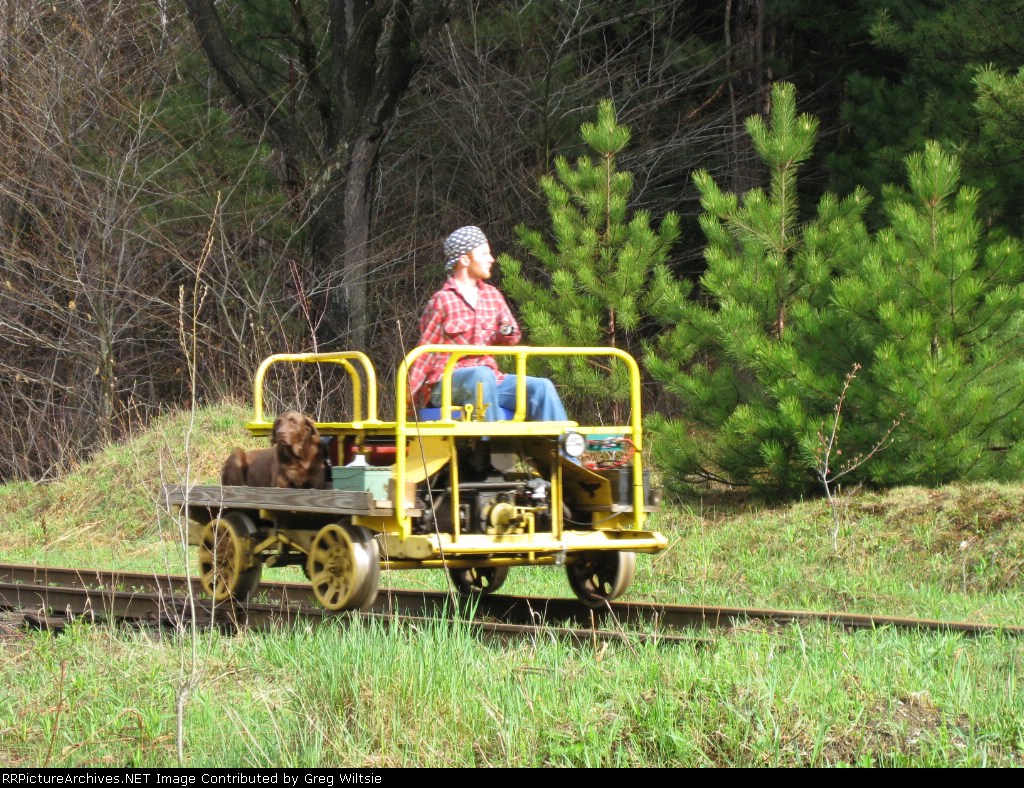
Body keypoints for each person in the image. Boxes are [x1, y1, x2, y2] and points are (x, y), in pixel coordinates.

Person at [407, 225, 569, 422]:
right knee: (480, 377)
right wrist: (409, 399)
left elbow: (513, 335)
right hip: (447, 384)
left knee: (541, 387)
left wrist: (506, 331)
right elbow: (425, 353)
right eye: (484, 254)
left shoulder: (492, 296)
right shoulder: (442, 301)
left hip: (491, 380)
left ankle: (564, 449)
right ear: (465, 260)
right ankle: (495, 449)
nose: (491, 259)